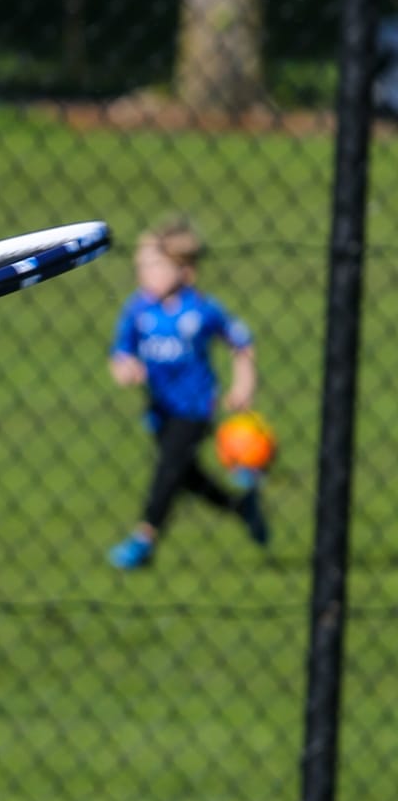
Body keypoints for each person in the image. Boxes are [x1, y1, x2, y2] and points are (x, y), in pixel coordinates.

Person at [106, 218, 266, 571]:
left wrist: (243, 385)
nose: (144, 274)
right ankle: (240, 506)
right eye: (140, 266)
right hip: (159, 409)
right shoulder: (138, 309)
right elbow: (120, 353)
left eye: (154, 266)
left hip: (195, 407)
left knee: (167, 470)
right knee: (187, 476)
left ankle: (143, 540)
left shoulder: (201, 309)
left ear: (184, 270)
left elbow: (241, 344)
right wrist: (126, 369)